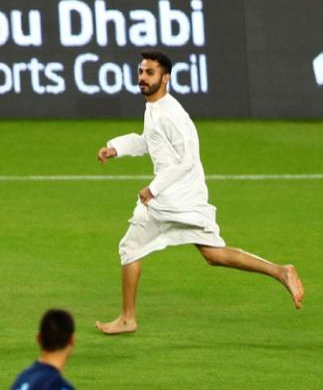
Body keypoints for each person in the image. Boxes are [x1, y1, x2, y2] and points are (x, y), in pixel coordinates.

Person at [95, 50, 304, 334]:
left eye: (150, 73)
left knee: (129, 248)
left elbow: (187, 160)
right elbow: (149, 141)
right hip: (184, 198)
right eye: (141, 72)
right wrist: (116, 147)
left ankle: (127, 318)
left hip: (172, 198)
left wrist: (153, 189)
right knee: (213, 255)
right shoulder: (155, 108)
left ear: (165, 78)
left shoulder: (172, 114)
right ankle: (281, 271)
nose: (142, 78)